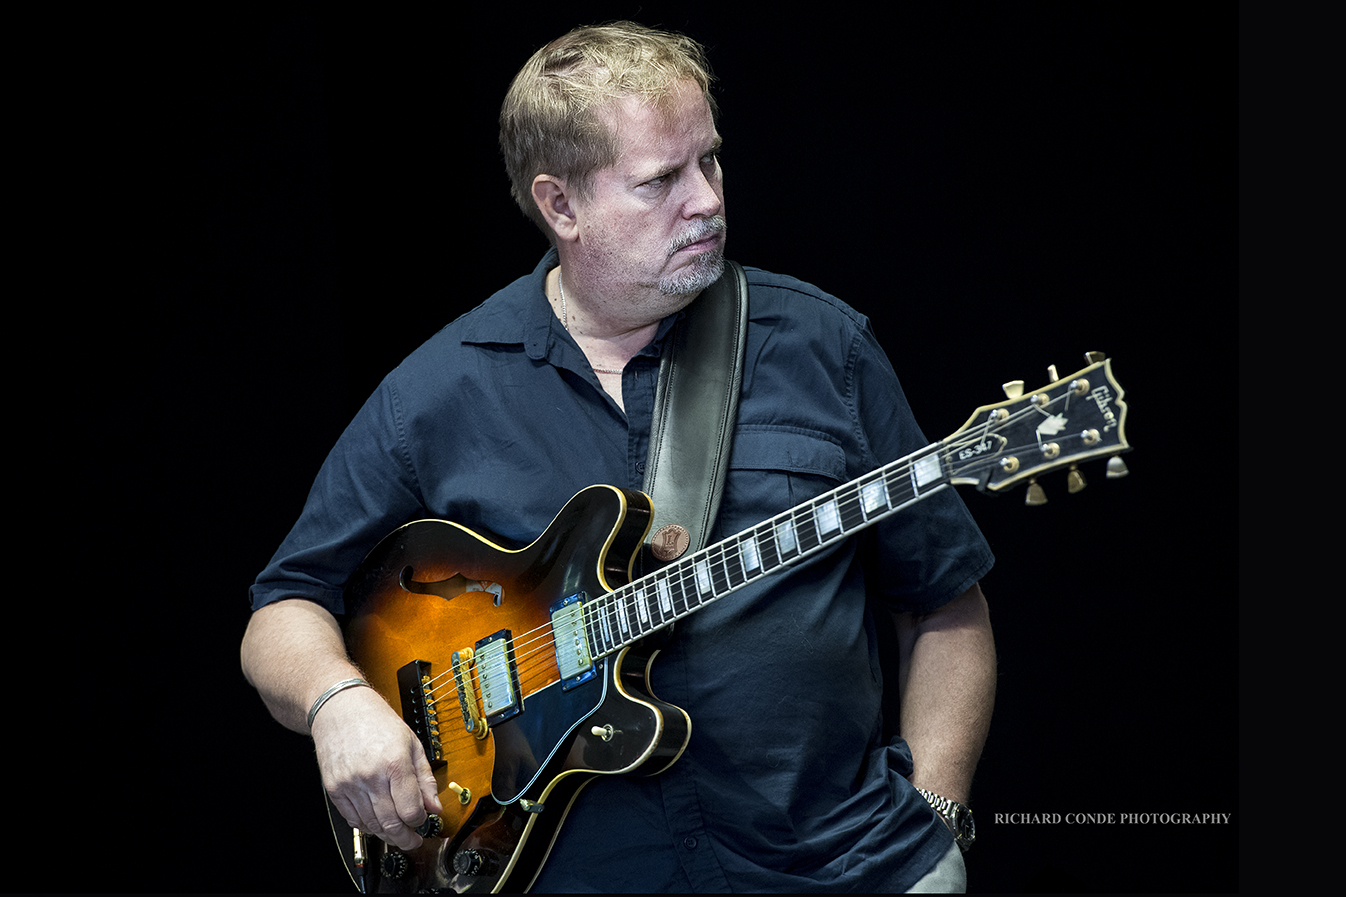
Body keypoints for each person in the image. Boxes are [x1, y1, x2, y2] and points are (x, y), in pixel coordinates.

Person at [243, 21, 997, 893]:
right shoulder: (436, 394)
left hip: (843, 869)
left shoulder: (825, 346)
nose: (708, 199)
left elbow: (944, 603)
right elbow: (282, 606)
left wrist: (935, 822)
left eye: (710, 161)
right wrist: (340, 705)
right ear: (560, 205)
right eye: (660, 181)